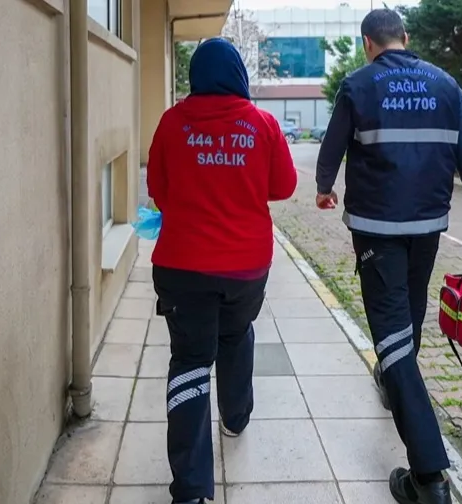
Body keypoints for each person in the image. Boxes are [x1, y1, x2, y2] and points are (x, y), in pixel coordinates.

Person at [314, 9, 462, 504]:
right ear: (405, 38)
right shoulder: (446, 86)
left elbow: (332, 147)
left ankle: (429, 477)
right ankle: (393, 378)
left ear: (366, 44)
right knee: (408, 318)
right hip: (427, 228)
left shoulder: (357, 86)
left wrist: (323, 188)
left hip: (377, 230)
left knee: (396, 337)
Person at [146, 37, 298, 504]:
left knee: (191, 361)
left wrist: (194, 207)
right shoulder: (263, 124)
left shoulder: (173, 122)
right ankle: (236, 417)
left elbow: (158, 189)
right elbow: (285, 187)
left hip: (182, 265)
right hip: (246, 267)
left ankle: (189, 490)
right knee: (236, 335)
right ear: (239, 76)